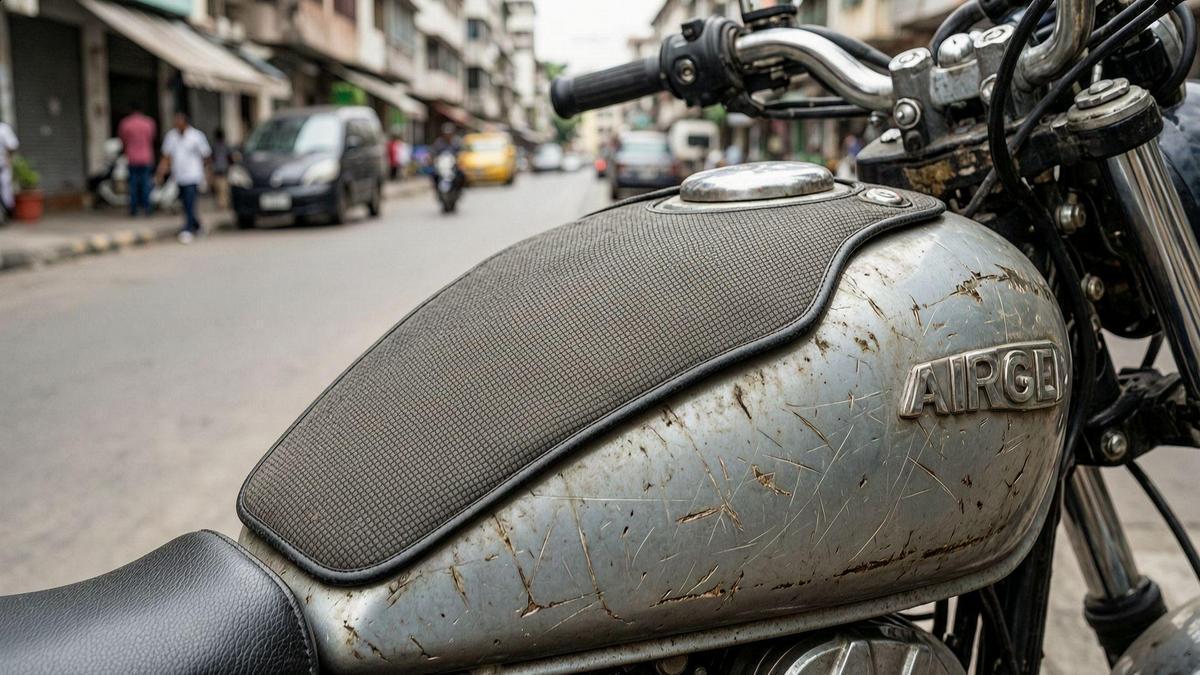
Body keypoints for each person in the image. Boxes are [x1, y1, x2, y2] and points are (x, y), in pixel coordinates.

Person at [157, 112, 211, 244]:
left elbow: (206, 155)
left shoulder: (196, 136)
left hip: (193, 175)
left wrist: (207, 174)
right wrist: (161, 172)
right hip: (178, 176)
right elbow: (166, 156)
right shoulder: (171, 136)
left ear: (185, 122)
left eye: (179, 121)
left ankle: (187, 229)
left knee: (189, 201)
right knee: (185, 203)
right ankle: (198, 226)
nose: (177, 124)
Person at [117, 102, 157, 217]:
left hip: (132, 158)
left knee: (133, 185)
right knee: (146, 184)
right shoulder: (148, 123)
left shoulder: (125, 123)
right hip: (146, 158)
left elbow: (123, 140)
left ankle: (133, 210)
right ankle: (147, 209)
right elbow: (152, 138)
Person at [210, 128, 233, 210]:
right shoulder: (225, 146)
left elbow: (212, 158)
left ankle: (222, 205)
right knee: (223, 189)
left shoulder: (214, 146)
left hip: (217, 169)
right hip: (223, 169)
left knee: (219, 189)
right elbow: (230, 157)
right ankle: (223, 205)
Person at [0, 121, 18, 219]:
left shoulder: (3, 128)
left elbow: (12, 146)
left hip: (2, 166)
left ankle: (8, 214)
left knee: (5, 191)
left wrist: (9, 160)